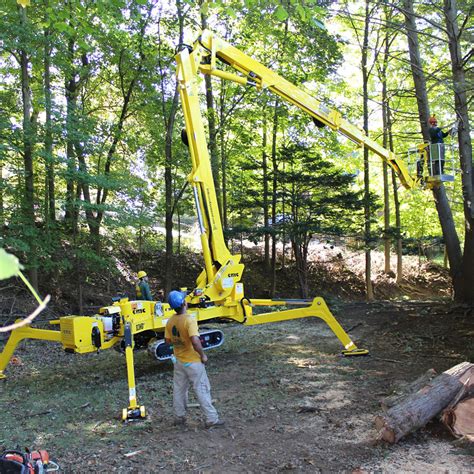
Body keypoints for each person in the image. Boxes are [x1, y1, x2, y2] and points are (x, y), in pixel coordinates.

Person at [164, 290, 223, 429]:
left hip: (179, 362)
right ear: (184, 303)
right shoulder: (189, 320)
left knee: (179, 390)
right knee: (202, 388)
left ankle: (179, 417)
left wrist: (178, 343)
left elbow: (167, 341)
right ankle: (211, 419)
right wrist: (203, 355)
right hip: (193, 362)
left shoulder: (170, 321)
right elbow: (195, 341)